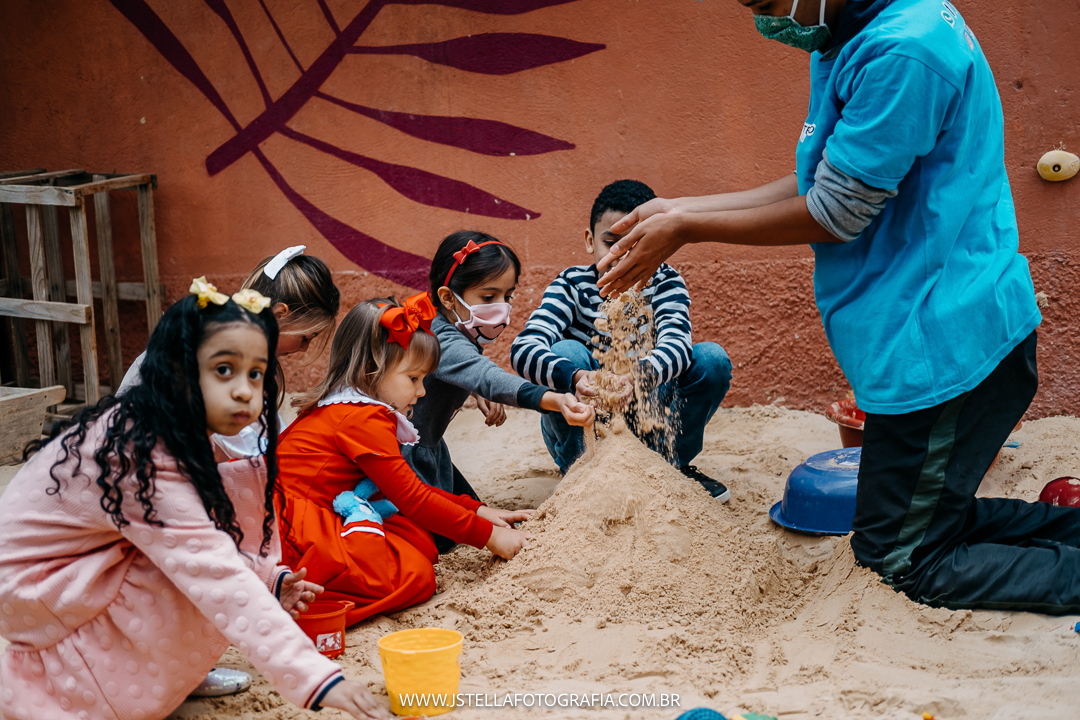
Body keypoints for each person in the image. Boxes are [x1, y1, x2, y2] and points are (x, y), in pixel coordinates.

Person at [592, 0, 1080, 613]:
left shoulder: (904, 51)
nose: (767, 22)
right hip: (931, 329)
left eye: (767, 5)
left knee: (902, 560)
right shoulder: (855, 30)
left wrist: (690, 228)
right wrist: (681, 209)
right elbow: (825, 180)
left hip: (946, 346)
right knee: (914, 523)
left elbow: (836, 212)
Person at [0, 283, 391, 719]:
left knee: (222, 499)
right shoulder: (139, 454)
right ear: (179, 371)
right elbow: (211, 568)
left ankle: (166, 675)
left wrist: (268, 578)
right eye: (224, 370)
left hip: (70, 574)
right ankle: (77, 697)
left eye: (256, 373)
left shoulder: (168, 428)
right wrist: (316, 678)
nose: (245, 390)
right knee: (186, 570)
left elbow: (205, 532)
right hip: (38, 591)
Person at [275, 294, 539, 625]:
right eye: (413, 378)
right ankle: (306, 601)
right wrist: (490, 536)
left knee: (414, 538)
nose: (422, 391)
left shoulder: (349, 405)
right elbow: (412, 498)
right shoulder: (361, 418)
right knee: (415, 574)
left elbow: (406, 488)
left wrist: (478, 510)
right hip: (296, 532)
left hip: (318, 512)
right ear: (371, 370)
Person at [511, 180, 733, 500]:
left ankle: (670, 465)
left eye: (636, 244)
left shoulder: (666, 282)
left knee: (711, 359)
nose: (621, 257)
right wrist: (576, 376)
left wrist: (637, 378)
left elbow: (677, 346)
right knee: (566, 351)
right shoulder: (572, 285)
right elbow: (524, 348)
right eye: (611, 243)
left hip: (648, 412)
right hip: (585, 421)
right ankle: (581, 472)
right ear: (590, 241)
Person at [403, 231, 596, 549]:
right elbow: (486, 376)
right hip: (407, 457)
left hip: (430, 450)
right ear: (448, 298)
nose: (502, 308)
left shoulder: (445, 327)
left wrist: (474, 391)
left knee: (473, 513)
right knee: (441, 539)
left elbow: (457, 369)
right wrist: (556, 399)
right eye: (489, 297)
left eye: (508, 296)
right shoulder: (441, 338)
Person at [116, 245, 341, 459]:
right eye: (305, 337)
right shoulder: (212, 350)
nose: (304, 348)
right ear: (279, 315)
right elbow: (243, 443)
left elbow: (267, 431)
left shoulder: (243, 354)